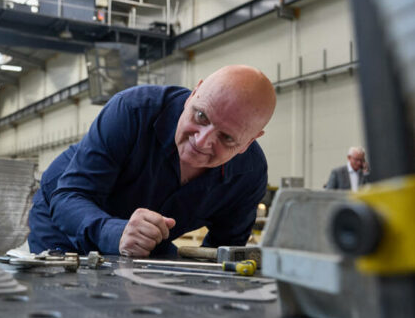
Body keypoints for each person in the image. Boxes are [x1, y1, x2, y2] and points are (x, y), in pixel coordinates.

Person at [27, 65, 277, 257]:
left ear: (249, 141)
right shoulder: (132, 110)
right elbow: (69, 196)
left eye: (226, 137)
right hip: (64, 214)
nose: (201, 141)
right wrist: (116, 233)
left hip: (144, 241)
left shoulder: (249, 174)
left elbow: (223, 252)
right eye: (201, 116)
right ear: (193, 94)